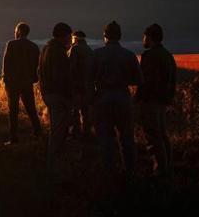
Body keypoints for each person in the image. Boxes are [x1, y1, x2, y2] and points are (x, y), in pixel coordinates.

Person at [92, 21, 142, 182]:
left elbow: (88, 78)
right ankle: (130, 172)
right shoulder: (129, 55)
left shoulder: (96, 54)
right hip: (123, 97)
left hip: (102, 97)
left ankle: (109, 172)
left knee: (105, 137)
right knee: (127, 137)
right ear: (119, 36)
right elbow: (138, 79)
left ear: (104, 35)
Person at [135, 24, 176, 181]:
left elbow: (144, 81)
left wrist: (138, 99)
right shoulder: (167, 55)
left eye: (144, 36)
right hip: (162, 101)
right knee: (162, 134)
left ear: (149, 37)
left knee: (153, 136)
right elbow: (172, 80)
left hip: (150, 101)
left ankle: (160, 170)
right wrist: (168, 98)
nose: (143, 39)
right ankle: (167, 167)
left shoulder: (150, 56)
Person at [38, 22, 73, 177]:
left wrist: (44, 92)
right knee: (58, 132)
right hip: (59, 96)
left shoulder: (46, 48)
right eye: (69, 36)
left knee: (55, 130)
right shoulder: (58, 52)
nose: (70, 39)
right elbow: (61, 77)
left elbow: (39, 72)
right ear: (64, 35)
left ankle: (53, 164)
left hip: (49, 95)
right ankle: (53, 167)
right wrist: (68, 97)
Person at [1, 22, 42, 145]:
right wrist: (33, 79)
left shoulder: (11, 44)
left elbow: (6, 63)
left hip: (12, 83)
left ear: (18, 31)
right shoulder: (34, 47)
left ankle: (13, 138)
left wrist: (5, 78)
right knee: (31, 109)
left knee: (13, 110)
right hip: (27, 82)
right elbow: (37, 66)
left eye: (15, 31)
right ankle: (38, 133)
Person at [69, 30, 94, 138]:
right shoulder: (89, 50)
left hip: (77, 85)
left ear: (75, 38)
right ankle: (87, 132)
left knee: (75, 111)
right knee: (85, 110)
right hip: (88, 85)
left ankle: (76, 132)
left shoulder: (75, 49)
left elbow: (71, 67)